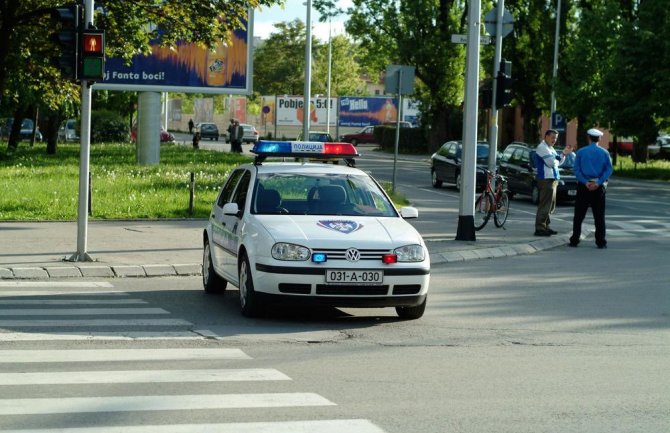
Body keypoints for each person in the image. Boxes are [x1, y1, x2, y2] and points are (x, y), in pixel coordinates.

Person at [569, 128, 613, 249]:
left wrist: (585, 182)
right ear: (599, 139)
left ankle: (574, 240)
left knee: (579, 215)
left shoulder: (581, 152)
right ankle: (601, 242)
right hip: (598, 187)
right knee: (599, 216)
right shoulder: (605, 153)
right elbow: (609, 170)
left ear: (589, 138)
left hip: (584, 186)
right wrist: (598, 182)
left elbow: (576, 170)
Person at [534, 129, 574, 236]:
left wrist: (564, 154)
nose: (554, 140)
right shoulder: (542, 147)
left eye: (556, 138)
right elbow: (552, 163)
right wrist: (559, 157)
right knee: (545, 205)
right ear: (546, 136)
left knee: (551, 205)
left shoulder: (550, 148)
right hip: (546, 179)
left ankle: (546, 226)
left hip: (553, 179)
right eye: (552, 137)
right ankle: (540, 228)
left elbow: (558, 161)